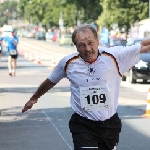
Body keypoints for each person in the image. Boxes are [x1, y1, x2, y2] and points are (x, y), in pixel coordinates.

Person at [22, 24, 150, 150]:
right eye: (81, 45)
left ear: (97, 42)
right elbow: (50, 81)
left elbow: (143, 46)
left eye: (90, 43)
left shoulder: (114, 56)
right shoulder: (68, 63)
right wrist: (34, 98)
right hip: (83, 124)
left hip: (109, 124)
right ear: (76, 47)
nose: (87, 49)